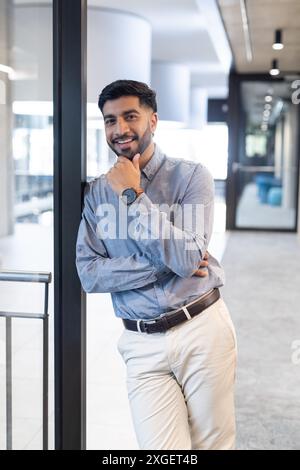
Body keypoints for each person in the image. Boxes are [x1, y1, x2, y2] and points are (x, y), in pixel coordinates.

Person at [76, 79, 237, 450]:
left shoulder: (191, 177)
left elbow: (186, 256)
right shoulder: (98, 191)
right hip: (140, 342)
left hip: (201, 329)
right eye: (110, 120)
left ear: (153, 121)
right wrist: (172, 262)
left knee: (212, 445)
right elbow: (89, 273)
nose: (120, 129)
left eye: (130, 116)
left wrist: (132, 195)